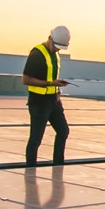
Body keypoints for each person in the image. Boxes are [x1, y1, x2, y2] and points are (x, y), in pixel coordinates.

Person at [22, 26, 72, 167]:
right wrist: (50, 83)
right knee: (36, 139)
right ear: (50, 38)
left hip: (53, 101)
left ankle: (58, 164)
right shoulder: (37, 54)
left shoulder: (55, 55)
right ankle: (30, 169)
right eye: (56, 46)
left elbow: (51, 75)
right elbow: (26, 79)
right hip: (38, 103)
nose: (58, 49)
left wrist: (57, 90)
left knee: (63, 131)